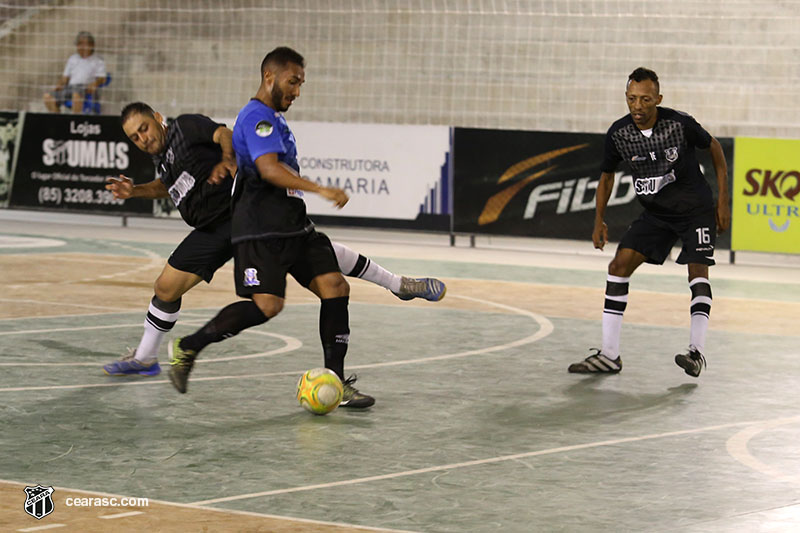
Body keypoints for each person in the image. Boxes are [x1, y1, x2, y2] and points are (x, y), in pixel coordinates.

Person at [102, 102, 446, 386]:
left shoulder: (184, 127)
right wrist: (136, 190)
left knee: (313, 261)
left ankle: (397, 283)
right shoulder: (161, 156)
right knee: (166, 287)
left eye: (144, 128)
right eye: (135, 137)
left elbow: (223, 134)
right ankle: (147, 359)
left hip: (243, 216)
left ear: (157, 119)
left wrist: (228, 159)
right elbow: (169, 183)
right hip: (211, 230)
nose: (142, 139)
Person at [166, 47, 377, 407]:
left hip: (292, 223)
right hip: (260, 227)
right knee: (267, 306)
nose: (297, 91)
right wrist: (321, 188)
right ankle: (188, 347)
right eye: (292, 81)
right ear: (269, 77)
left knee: (335, 286)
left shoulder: (274, 120)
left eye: (301, 84)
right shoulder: (256, 117)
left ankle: (338, 383)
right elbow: (268, 169)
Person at [567, 67, 730, 378]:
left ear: (658, 99)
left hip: (695, 210)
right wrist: (598, 220)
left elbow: (716, 148)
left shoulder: (679, 124)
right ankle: (609, 355)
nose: (637, 106)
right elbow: (606, 176)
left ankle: (695, 353)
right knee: (618, 267)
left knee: (697, 273)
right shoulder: (619, 134)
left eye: (644, 99)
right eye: (631, 99)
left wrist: (723, 202)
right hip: (656, 214)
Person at [43, 31, 107, 114]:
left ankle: (75, 120)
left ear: (92, 45)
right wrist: (59, 85)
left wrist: (95, 84)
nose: (80, 47)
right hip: (70, 87)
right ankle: (58, 119)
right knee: (47, 96)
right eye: (78, 44)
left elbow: (102, 78)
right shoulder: (72, 59)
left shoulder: (98, 60)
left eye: (83, 44)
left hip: (85, 88)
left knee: (76, 95)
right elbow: (65, 77)